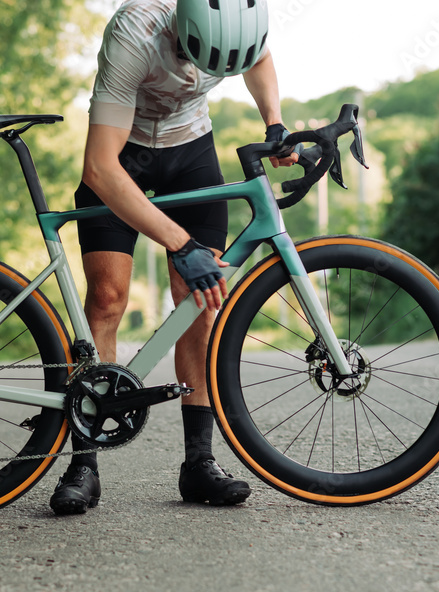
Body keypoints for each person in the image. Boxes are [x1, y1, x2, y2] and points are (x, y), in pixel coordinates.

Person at [49, 0, 297, 514]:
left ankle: (199, 464)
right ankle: (83, 463)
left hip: (191, 151)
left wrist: (274, 121)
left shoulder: (236, 21)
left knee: (201, 302)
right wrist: (181, 245)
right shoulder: (135, 32)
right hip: (124, 156)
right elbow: (100, 168)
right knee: (107, 299)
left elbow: (258, 58)